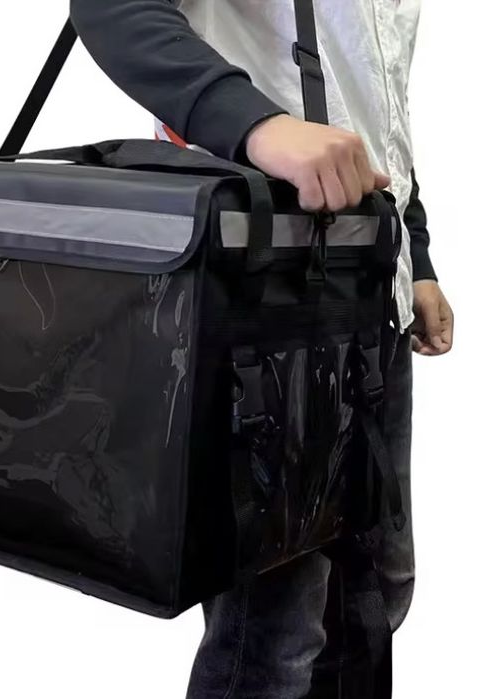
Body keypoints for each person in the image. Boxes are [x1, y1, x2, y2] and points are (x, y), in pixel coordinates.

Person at [70, 1, 454, 697]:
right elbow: (114, 7)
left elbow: (378, 114)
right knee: (273, 632)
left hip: (372, 299)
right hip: (269, 309)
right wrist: (258, 125)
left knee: (374, 587)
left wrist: (416, 262)